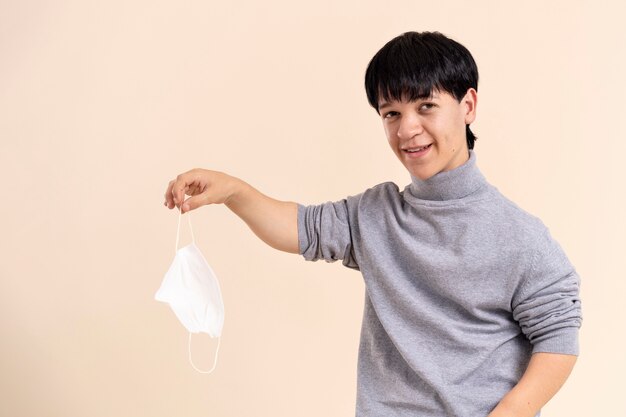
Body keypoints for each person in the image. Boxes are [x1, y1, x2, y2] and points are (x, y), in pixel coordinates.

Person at [163, 31, 582, 417]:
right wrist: (234, 191)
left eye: (426, 106)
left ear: (468, 105)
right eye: (391, 113)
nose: (408, 129)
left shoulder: (519, 236)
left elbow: (559, 338)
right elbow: (300, 228)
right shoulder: (377, 214)